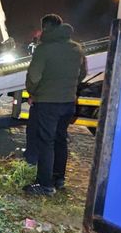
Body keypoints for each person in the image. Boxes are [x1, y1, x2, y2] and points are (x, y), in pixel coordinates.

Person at [23, 14, 87, 196]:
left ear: (45, 28)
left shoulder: (44, 49)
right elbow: (82, 74)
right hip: (68, 102)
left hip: (47, 103)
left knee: (46, 141)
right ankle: (58, 179)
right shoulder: (77, 48)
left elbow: (34, 76)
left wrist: (33, 93)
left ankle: (44, 184)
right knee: (60, 139)